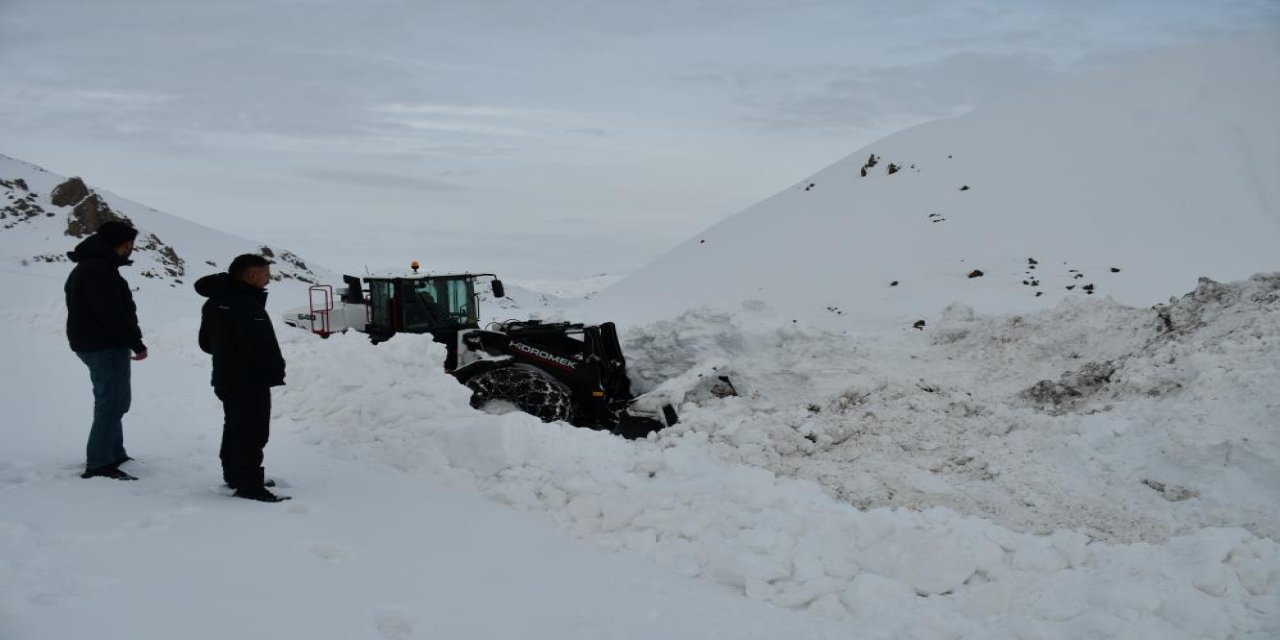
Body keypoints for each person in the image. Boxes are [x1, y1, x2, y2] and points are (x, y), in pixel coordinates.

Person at [195, 254, 290, 502]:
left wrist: (227, 352)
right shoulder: (246, 304)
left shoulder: (215, 301)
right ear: (252, 275)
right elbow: (261, 347)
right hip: (249, 379)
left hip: (226, 376)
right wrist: (273, 369)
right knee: (252, 432)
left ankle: (235, 475)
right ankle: (249, 485)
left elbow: (206, 343)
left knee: (236, 427)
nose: (269, 279)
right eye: (266, 274)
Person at [65, 220, 148, 481]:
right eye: (130, 245)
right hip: (104, 344)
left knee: (110, 399)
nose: (131, 249)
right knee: (113, 402)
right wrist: (136, 342)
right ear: (124, 244)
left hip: (95, 342)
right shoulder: (99, 270)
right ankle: (100, 463)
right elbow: (111, 313)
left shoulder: (91, 266)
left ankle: (114, 452)